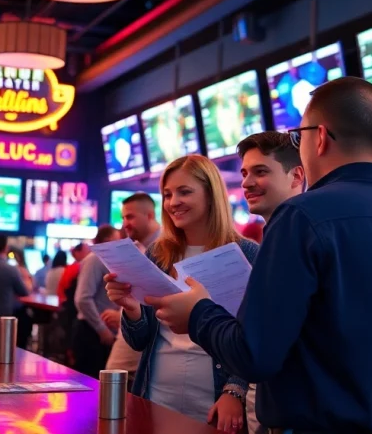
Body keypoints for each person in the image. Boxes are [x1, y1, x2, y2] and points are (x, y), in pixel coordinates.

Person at [147, 76, 372, 433]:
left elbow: (255, 354)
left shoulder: (302, 218)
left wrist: (199, 313)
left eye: (300, 136)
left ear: (320, 137)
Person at [106, 155, 260, 432]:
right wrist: (131, 309)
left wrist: (234, 389)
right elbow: (140, 340)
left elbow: (253, 337)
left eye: (184, 191)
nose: (173, 201)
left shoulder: (246, 253)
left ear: (211, 194)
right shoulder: (159, 253)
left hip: (215, 401)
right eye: (167, 194)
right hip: (156, 393)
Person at [235, 131, 304, 434]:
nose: (247, 182)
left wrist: (199, 314)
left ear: (296, 176)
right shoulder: (275, 234)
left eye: (260, 172)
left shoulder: (300, 236)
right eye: (245, 173)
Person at [104, 193, 162, 380]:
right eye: (123, 218)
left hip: (156, 344)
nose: (125, 223)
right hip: (134, 335)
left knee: (115, 381)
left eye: (130, 217)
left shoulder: (166, 248)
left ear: (150, 215)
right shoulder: (136, 248)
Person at [72, 225, 124, 377]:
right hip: (90, 331)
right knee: (89, 385)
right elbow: (82, 299)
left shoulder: (108, 260)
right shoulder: (95, 259)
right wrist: (102, 329)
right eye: (118, 239)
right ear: (108, 240)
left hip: (101, 330)